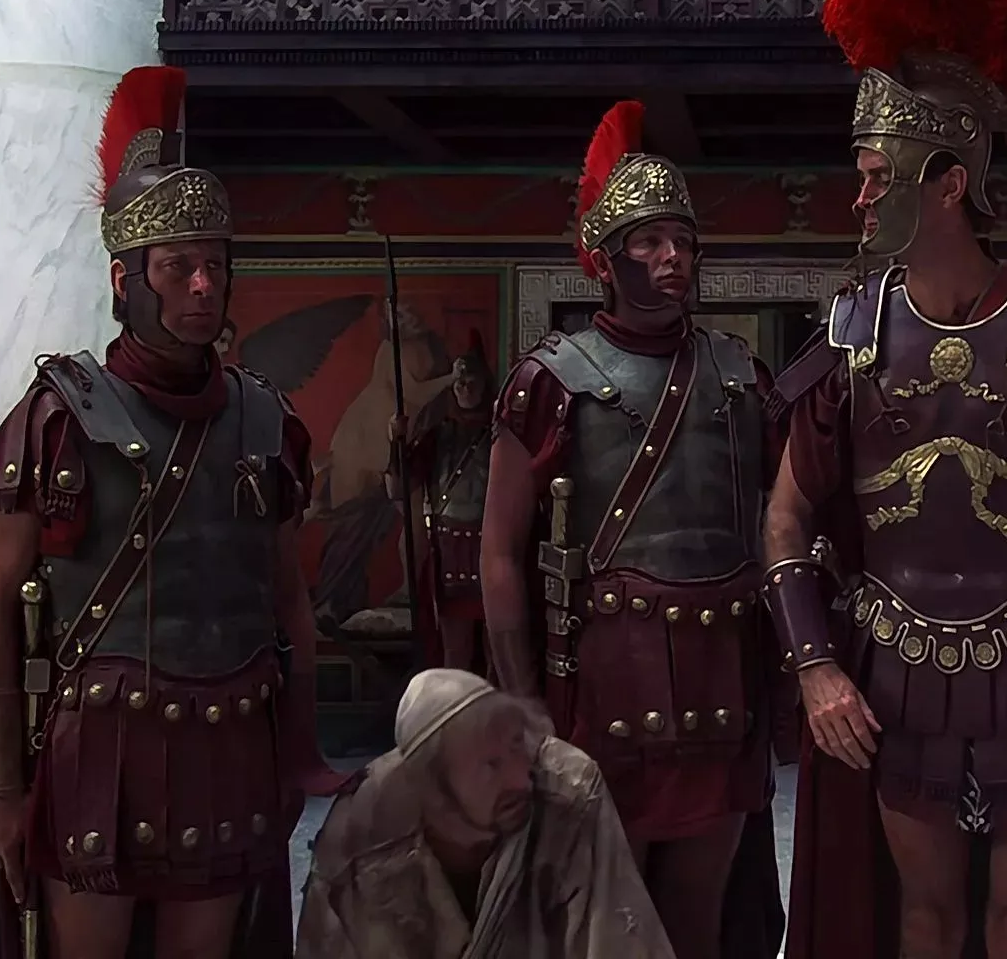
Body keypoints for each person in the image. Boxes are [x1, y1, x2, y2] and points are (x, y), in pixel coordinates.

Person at [764, 0, 1007, 959]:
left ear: (949, 183)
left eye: (877, 176)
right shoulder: (853, 328)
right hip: (897, 675)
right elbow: (786, 518)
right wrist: (815, 668)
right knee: (919, 920)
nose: (858, 196)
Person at [0, 65, 341, 959]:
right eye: (177, 268)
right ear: (126, 281)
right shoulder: (58, 416)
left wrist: (298, 750)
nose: (202, 286)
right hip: (98, 751)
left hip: (230, 742)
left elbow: (288, 603)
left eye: (215, 267)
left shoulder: (265, 420)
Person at [481, 100, 785, 959]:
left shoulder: (739, 374)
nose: (672, 256)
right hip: (605, 686)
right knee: (604, 921)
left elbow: (783, 520)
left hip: (723, 686)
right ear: (607, 259)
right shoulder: (550, 380)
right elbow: (500, 552)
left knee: (700, 919)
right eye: (649, 241)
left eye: (683, 240)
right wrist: (522, 702)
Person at [296, 668, 676, 957]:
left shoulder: (566, 792)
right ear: (433, 789)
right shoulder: (360, 838)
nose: (520, 779)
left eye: (517, 746)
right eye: (491, 766)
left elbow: (617, 941)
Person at [385, 332, 495, 673]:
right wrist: (397, 443)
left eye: (472, 381)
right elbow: (397, 488)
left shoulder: (502, 434)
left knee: (500, 654)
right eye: (460, 381)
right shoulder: (438, 434)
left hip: (492, 549)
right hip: (449, 552)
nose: (465, 388)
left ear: (485, 384)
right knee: (454, 653)